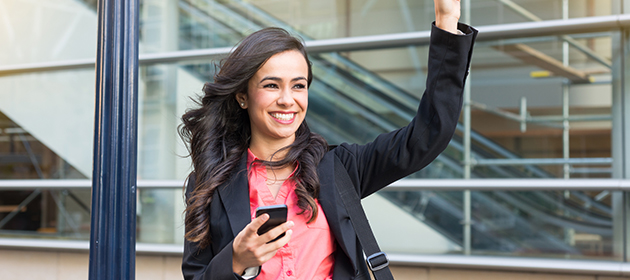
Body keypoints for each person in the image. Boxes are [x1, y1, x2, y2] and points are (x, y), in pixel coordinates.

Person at [180, 0, 477, 279]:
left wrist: (447, 20)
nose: (287, 100)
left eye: (298, 85)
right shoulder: (210, 183)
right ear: (243, 96)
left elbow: (428, 134)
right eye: (271, 85)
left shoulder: (338, 169)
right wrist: (234, 260)